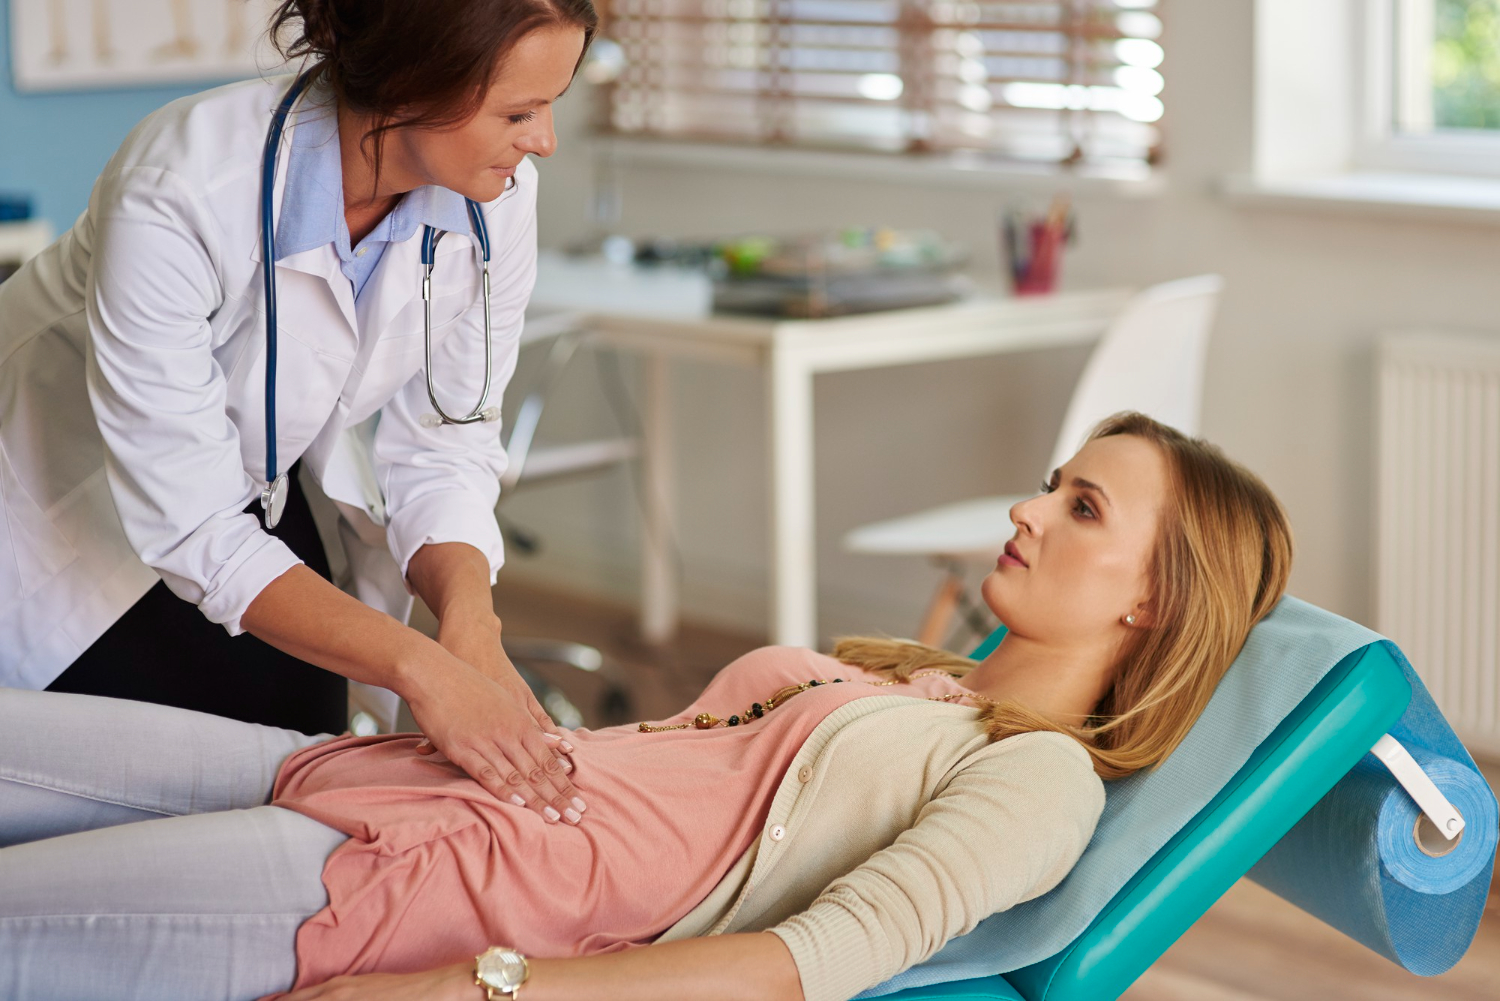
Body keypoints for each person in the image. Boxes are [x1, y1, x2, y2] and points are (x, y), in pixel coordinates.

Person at [0, 413, 1295, 1001]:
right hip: (386, 774)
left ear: (1156, 606)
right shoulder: (923, 678)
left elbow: (811, 964)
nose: (1027, 507)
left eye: (1083, 508)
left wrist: (482, 990)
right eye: (1052, 480)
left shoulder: (1043, 779)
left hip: (421, 879)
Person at [0, 0, 596, 821]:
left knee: (305, 784)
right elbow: (196, 526)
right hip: (59, 525)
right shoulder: (179, 186)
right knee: (138, 818)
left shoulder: (494, 200)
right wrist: (424, 668)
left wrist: (470, 626)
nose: (544, 142)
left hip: (252, 492)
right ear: (415, 82)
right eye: (519, 112)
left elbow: (447, 445)